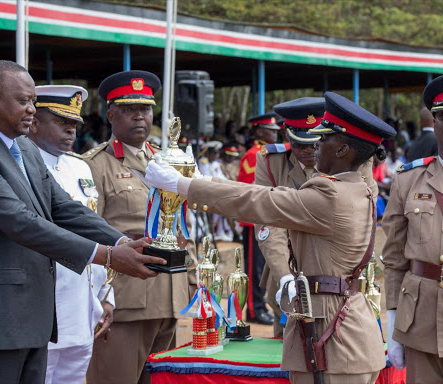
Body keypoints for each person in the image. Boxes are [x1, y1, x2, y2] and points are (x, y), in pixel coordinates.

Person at [146, 91, 396, 384]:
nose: (315, 146)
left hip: (332, 336)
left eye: (324, 139)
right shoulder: (357, 188)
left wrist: (185, 184)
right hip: (345, 331)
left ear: (342, 151)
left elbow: (261, 201)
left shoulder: (329, 194)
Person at [0, 60, 166, 384]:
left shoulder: (24, 148)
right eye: (23, 101)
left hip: (33, 317)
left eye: (33, 101)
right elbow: (21, 222)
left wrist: (119, 241)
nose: (32, 110)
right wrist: (106, 256)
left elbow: (63, 207)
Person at [84, 70, 197, 384]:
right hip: (125, 300)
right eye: (128, 110)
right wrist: (99, 298)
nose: (139, 117)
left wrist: (191, 278)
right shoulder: (94, 165)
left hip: (170, 296)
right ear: (110, 114)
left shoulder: (168, 162)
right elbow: (89, 233)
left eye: (145, 109)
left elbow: (181, 227)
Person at [27, 85, 116, 384]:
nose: (71, 131)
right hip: (42, 308)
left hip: (82, 306)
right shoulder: (21, 165)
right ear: (34, 121)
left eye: (74, 124)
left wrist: (106, 296)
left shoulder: (80, 167)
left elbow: (94, 227)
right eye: (61, 122)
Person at [383, 73, 443, 383]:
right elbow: (394, 257)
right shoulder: (407, 179)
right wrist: (392, 324)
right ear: (434, 122)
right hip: (420, 321)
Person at [253, 97, 323, 338]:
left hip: (332, 273)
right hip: (287, 267)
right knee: (285, 348)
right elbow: (266, 219)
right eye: (299, 144)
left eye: (315, 145)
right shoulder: (271, 162)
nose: (307, 152)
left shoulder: (346, 159)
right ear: (287, 136)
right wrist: (284, 276)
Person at [237, 112, 279, 325]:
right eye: (270, 130)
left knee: (265, 267)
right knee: (255, 269)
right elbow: (250, 188)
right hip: (254, 219)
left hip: (266, 218)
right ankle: (254, 309)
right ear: (259, 131)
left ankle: (260, 306)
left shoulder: (266, 153)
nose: (274, 134)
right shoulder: (254, 154)